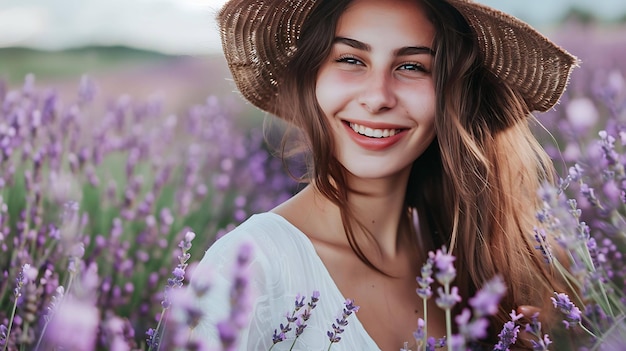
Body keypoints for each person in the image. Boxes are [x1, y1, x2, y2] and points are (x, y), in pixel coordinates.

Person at [191, 0, 578, 349]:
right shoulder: (248, 268)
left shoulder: (465, 254)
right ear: (312, 78)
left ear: (451, 94)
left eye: (412, 66)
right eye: (350, 60)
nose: (377, 98)